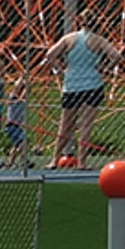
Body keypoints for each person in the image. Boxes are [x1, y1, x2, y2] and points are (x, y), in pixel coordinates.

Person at [45, 22, 109, 166]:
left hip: (72, 84)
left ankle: (54, 160)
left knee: (65, 125)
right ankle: (82, 162)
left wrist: (61, 70)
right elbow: (116, 56)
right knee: (86, 125)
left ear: (80, 23)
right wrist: (104, 69)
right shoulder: (98, 40)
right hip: (92, 85)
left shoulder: (69, 38)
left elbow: (49, 55)